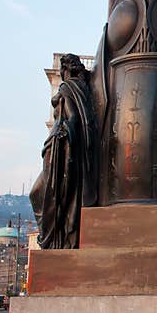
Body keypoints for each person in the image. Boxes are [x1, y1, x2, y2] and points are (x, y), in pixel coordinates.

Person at [30, 53, 97, 249]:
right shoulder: (80, 89)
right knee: (43, 193)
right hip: (62, 147)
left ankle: (52, 238)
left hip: (61, 148)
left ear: (65, 71)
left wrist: (60, 133)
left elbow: (74, 118)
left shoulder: (68, 88)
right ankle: (54, 236)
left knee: (37, 193)